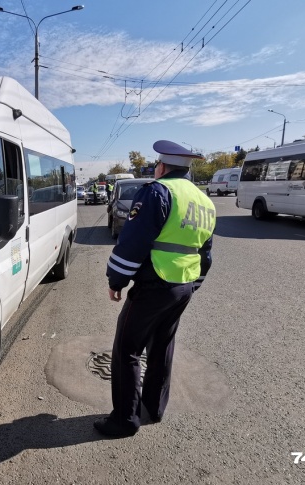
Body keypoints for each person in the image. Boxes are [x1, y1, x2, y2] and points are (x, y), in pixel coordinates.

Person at [94, 140, 216, 438]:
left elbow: (133, 242)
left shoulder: (157, 191)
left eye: (156, 166)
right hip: (182, 286)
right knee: (162, 346)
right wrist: (192, 284)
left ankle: (124, 420)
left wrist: (116, 281)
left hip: (154, 284)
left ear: (161, 167)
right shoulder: (204, 201)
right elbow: (206, 252)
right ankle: (155, 407)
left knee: (127, 350)